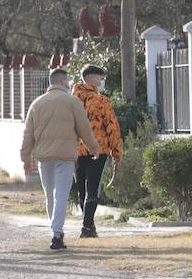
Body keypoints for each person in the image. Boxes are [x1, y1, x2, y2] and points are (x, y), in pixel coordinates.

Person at [21, 68, 100, 251]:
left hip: (43, 158)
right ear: (64, 82)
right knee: (61, 196)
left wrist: (25, 157)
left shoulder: (37, 103)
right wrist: (94, 148)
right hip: (65, 156)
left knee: (50, 195)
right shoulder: (73, 102)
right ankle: (57, 234)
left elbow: (28, 134)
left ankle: (55, 231)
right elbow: (84, 129)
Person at [72, 65, 123, 238]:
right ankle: (87, 227)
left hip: (76, 151)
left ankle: (88, 225)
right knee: (92, 189)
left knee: (81, 188)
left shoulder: (72, 100)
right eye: (101, 79)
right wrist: (117, 152)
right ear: (92, 79)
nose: (102, 82)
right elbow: (112, 128)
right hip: (98, 149)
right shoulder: (102, 102)